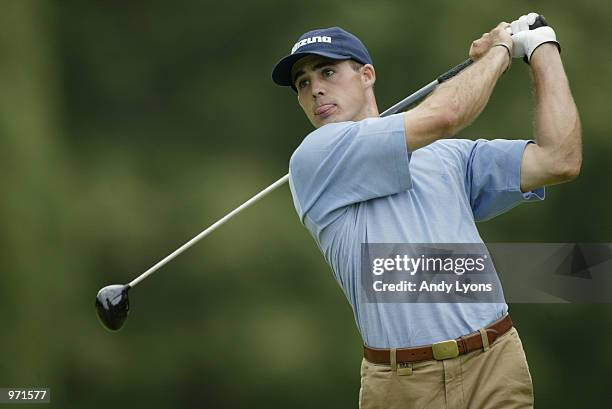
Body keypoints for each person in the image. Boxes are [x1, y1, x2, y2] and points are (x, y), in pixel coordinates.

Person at [272, 13, 581, 409]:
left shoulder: (448, 156)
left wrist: (542, 47)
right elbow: (444, 116)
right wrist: (501, 52)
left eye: (327, 72)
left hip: (494, 362)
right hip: (403, 385)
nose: (315, 90)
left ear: (367, 75)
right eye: (303, 84)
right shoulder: (315, 158)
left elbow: (559, 160)